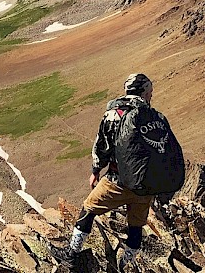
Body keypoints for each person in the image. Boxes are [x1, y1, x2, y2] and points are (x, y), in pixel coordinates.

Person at [52, 73, 157, 271]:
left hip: (118, 180)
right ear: (144, 92)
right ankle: (127, 266)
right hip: (146, 185)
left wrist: (96, 171)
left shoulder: (113, 114)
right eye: (150, 92)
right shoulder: (153, 116)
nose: (151, 96)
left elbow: (102, 145)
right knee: (136, 226)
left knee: (88, 209)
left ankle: (72, 254)